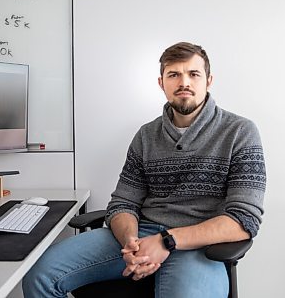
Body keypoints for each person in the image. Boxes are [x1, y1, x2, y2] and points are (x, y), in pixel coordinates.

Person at [22, 42, 266, 297]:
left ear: (209, 80)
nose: (184, 82)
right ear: (161, 83)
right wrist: (131, 241)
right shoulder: (147, 135)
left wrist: (167, 241)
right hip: (143, 235)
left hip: (200, 244)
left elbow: (244, 220)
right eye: (174, 74)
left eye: (194, 74)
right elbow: (122, 203)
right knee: (40, 275)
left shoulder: (240, 132)